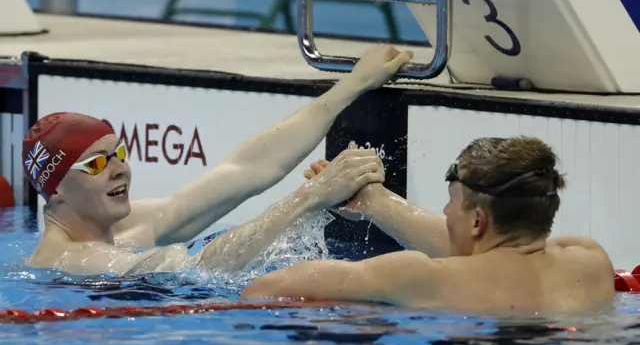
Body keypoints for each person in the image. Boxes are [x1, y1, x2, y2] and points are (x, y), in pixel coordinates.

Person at [24, 44, 413, 276]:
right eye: (96, 163)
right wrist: (312, 197)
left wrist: (353, 84)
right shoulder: (74, 262)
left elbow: (244, 171)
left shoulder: (127, 226)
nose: (119, 168)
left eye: (119, 153)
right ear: (55, 186)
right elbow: (204, 267)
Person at [242, 136, 616, 315]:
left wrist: (311, 198)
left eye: (452, 202)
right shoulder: (589, 260)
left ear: (479, 220)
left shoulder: (421, 276)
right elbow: (484, 250)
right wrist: (375, 201)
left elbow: (264, 288)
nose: (445, 211)